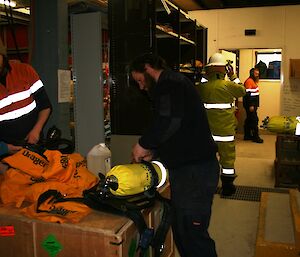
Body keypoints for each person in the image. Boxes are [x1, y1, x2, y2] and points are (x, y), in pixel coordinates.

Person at [130, 53, 219, 257]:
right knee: (181, 230)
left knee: (193, 232)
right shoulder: (171, 86)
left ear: (147, 68)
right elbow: (177, 130)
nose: (141, 87)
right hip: (186, 171)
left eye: (140, 81)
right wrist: (155, 150)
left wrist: (143, 144)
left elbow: (170, 121)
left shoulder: (171, 83)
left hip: (196, 172)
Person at [198, 53, 246, 196]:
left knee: (207, 159)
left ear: (208, 70)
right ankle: (227, 187)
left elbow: (200, 85)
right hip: (225, 133)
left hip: (207, 133)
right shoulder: (228, 85)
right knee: (227, 160)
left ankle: (208, 186)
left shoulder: (202, 87)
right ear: (224, 69)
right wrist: (233, 76)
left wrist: (205, 75)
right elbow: (242, 90)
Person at [0, 51, 52, 171]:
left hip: (33, 145)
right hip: (5, 154)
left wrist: (36, 131)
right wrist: (4, 148)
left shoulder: (25, 71)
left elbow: (45, 106)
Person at [243, 68, 264, 143]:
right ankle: (255, 137)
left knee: (249, 120)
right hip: (250, 105)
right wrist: (251, 105)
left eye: (258, 74)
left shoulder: (253, 81)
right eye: (256, 74)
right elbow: (248, 95)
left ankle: (247, 135)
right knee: (254, 120)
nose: (257, 75)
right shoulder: (249, 81)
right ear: (252, 74)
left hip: (253, 104)